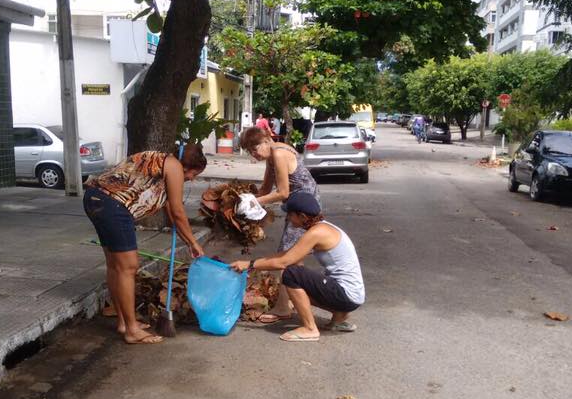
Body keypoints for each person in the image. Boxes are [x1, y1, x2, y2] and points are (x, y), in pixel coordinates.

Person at [83, 146, 207, 345]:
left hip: (95, 199)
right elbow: (178, 212)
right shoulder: (174, 166)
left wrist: (188, 241)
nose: (192, 178)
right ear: (188, 165)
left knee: (116, 266)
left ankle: (124, 322)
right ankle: (131, 330)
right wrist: (194, 243)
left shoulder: (161, 163)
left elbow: (171, 213)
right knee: (128, 267)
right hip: (114, 206)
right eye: (194, 173)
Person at [231, 192, 364, 342]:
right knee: (297, 274)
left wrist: (250, 265)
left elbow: (283, 262)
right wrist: (251, 261)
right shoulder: (324, 227)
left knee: (291, 274)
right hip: (352, 295)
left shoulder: (316, 233)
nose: (287, 218)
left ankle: (310, 328)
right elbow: (287, 254)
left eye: (290, 215)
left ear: (302, 217)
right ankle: (339, 317)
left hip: (346, 294)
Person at [240, 126, 320, 324]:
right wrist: (241, 201)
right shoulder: (271, 156)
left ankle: (283, 308)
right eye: (249, 151)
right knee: (295, 258)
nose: (254, 154)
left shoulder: (279, 153)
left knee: (286, 257)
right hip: (296, 207)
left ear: (267, 140)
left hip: (304, 210)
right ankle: (294, 298)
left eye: (254, 148)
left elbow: (283, 192)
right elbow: (266, 189)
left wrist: (255, 202)